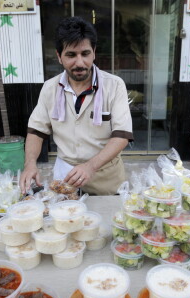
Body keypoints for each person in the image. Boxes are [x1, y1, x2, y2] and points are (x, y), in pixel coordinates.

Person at [19, 16, 133, 196]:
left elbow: (122, 136)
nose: (79, 63)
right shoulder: (50, 88)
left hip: (106, 180)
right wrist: (30, 163)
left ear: (94, 52)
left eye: (85, 54)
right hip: (65, 179)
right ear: (59, 56)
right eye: (71, 55)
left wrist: (90, 166)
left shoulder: (114, 85)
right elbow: (36, 131)